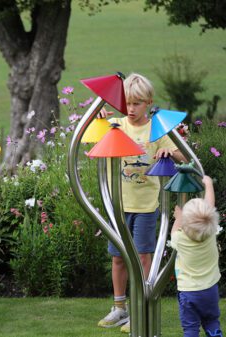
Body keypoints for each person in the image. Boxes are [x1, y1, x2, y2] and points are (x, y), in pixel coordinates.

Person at [96, 73, 187, 333]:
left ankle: (140, 308)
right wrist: (99, 118)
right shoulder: (116, 125)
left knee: (143, 257)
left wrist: (168, 151)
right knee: (118, 259)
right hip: (118, 206)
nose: (131, 109)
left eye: (137, 103)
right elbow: (93, 137)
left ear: (148, 102)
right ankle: (120, 308)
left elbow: (182, 154)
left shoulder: (155, 129)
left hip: (146, 206)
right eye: (127, 104)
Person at [171, 175, 221, 337]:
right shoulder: (210, 232)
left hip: (189, 292)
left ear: (185, 223)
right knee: (212, 320)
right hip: (210, 290)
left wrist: (178, 218)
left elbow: (173, 232)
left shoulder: (180, 238)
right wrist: (208, 184)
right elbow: (210, 206)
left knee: (191, 328)